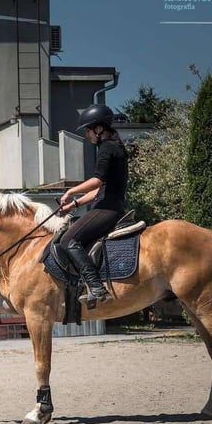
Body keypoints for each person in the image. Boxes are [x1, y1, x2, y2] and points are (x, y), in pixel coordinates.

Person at [58, 104, 129, 303]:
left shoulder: (107, 148)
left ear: (99, 129)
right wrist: (74, 205)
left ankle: (96, 287)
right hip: (108, 204)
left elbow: (96, 181)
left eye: (88, 130)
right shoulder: (115, 147)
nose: (87, 135)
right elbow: (100, 189)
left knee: (67, 241)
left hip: (107, 208)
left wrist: (70, 191)